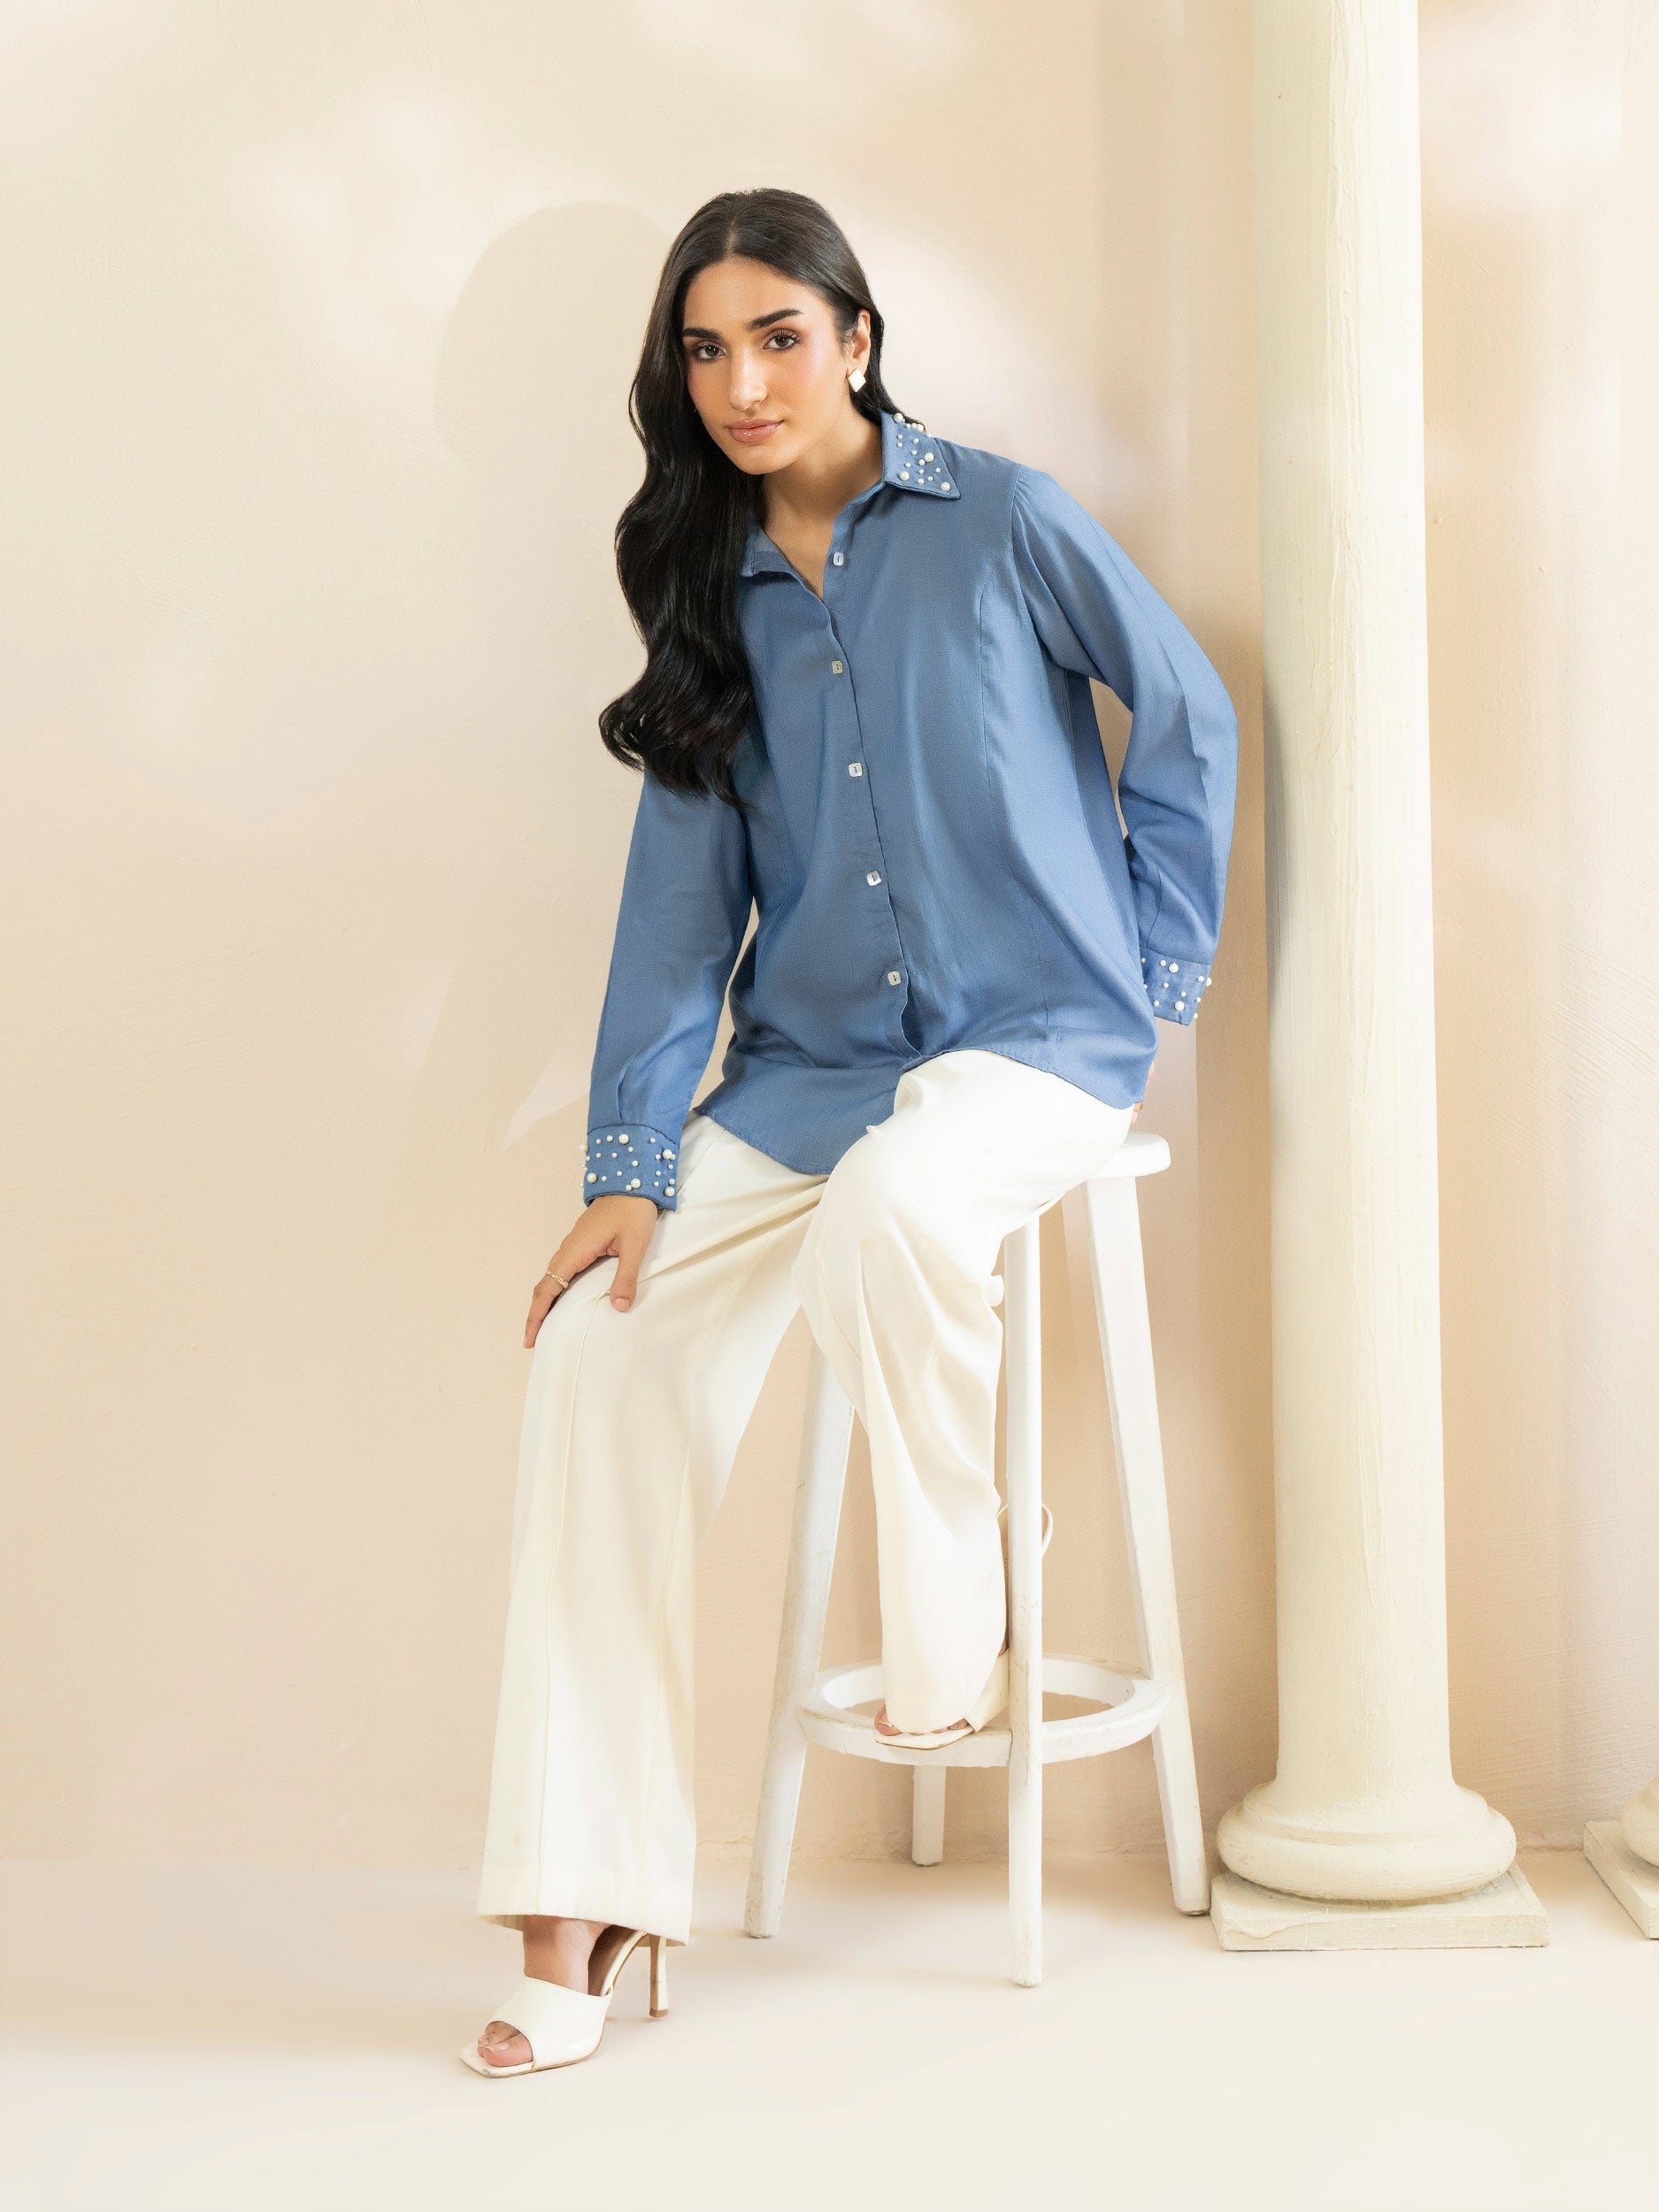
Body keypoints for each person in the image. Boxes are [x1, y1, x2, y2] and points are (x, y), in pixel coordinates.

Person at [460, 187, 1238, 2077]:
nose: (742, 384)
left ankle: (956, 1606)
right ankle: (583, 1891)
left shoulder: (1005, 522)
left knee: (899, 1203)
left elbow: (1187, 716)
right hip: (807, 1065)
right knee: (598, 1353)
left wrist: (1146, 977)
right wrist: (627, 1170)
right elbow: (677, 905)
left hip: (1032, 1043)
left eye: (778, 338)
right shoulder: (703, 586)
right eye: (704, 351)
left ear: (856, 340)